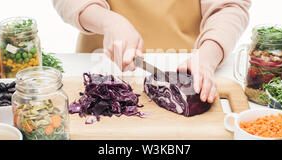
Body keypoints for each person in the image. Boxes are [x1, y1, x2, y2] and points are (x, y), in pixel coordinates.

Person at [53, 0, 251, 103]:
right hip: (104, 62)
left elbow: (230, 6)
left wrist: (208, 55)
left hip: (190, 60)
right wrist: (109, 21)